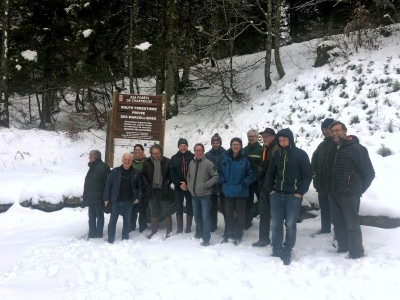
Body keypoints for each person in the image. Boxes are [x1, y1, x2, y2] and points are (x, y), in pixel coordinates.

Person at [324, 121, 375, 259]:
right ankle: (343, 246)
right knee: (338, 222)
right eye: (332, 131)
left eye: (337, 130)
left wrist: (357, 190)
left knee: (352, 224)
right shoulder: (331, 149)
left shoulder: (357, 148)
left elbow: (369, 173)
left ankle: (356, 251)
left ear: (344, 131)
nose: (335, 133)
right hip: (333, 192)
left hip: (349, 194)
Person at [264, 128, 312, 265]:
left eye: (285, 139)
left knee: (290, 225)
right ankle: (276, 248)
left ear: (290, 139)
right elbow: (270, 173)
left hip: (293, 196)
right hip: (277, 195)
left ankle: (287, 248)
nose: (283, 142)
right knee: (276, 225)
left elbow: (308, 175)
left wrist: (300, 192)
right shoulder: (277, 154)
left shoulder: (300, 155)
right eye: (280, 140)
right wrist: (270, 190)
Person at [219, 137, 256, 245]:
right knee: (228, 214)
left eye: (237, 144)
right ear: (231, 146)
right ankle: (228, 233)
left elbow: (252, 174)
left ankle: (237, 234)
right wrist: (223, 183)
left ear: (240, 146)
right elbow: (219, 172)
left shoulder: (246, 159)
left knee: (240, 215)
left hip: (241, 192)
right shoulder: (225, 158)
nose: (235, 146)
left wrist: (243, 184)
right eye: (233, 144)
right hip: (228, 191)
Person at [103, 153, 142, 244]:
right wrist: (106, 198)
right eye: (125, 159)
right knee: (112, 221)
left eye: (129, 160)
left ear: (131, 161)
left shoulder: (135, 172)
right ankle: (110, 239)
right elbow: (108, 185)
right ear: (122, 160)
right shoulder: (115, 171)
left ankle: (125, 238)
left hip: (129, 201)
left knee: (127, 221)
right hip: (116, 201)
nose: (127, 161)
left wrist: (138, 197)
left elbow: (139, 187)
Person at [187, 143, 219, 246]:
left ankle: (206, 238)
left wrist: (206, 185)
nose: (198, 152)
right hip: (194, 195)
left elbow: (216, 176)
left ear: (203, 151)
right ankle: (199, 233)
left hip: (205, 195)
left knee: (206, 217)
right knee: (197, 216)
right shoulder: (191, 163)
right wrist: (189, 185)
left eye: (200, 150)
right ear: (194, 151)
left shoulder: (208, 163)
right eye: (196, 150)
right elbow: (189, 176)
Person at [252, 128, 279, 247]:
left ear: (273, 137)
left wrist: (274, 187)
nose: (264, 138)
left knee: (276, 216)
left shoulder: (277, 149)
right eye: (263, 136)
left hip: (273, 188)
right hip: (264, 186)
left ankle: (277, 240)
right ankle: (264, 238)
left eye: (267, 136)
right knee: (264, 214)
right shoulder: (266, 149)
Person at [142, 144, 173, 239]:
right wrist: (147, 185)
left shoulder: (167, 161)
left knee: (166, 211)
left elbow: (170, 176)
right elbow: (143, 175)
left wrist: (167, 184)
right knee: (153, 212)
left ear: (161, 153)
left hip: (163, 190)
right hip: (152, 190)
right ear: (151, 153)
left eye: (157, 153)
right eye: (154, 153)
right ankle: (154, 231)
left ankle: (169, 231)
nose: (156, 155)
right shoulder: (146, 162)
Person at [311, 118, 335, 234]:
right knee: (324, 208)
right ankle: (325, 229)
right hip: (321, 183)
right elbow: (314, 158)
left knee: (336, 209)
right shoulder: (322, 144)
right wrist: (314, 173)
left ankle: (339, 233)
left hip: (333, 184)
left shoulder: (337, 143)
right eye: (323, 129)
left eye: (327, 129)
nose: (325, 132)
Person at [82, 150, 110, 239]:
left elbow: (107, 183)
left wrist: (105, 197)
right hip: (92, 197)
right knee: (92, 216)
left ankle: (98, 234)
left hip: (98, 197)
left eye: (90, 156)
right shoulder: (93, 166)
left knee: (99, 216)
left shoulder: (103, 167)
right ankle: (92, 233)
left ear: (94, 157)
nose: (89, 157)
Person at [170, 138, 195, 233]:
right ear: (178, 147)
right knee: (178, 206)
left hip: (190, 185)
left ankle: (188, 227)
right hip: (178, 186)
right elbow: (172, 173)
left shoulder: (193, 157)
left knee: (190, 206)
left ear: (187, 146)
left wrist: (187, 183)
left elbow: (194, 172)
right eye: (181, 146)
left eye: (184, 146)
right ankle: (179, 228)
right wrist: (180, 183)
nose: (183, 147)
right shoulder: (174, 158)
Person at [205, 133, 226, 232]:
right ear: (211, 144)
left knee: (225, 206)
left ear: (220, 143)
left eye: (217, 143)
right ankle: (213, 225)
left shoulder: (226, 153)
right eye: (214, 143)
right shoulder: (208, 155)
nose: (216, 144)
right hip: (212, 184)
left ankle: (228, 226)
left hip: (223, 183)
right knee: (212, 206)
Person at [243, 129, 263, 229]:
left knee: (262, 202)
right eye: (249, 136)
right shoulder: (244, 150)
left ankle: (265, 222)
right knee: (247, 202)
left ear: (257, 137)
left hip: (259, 181)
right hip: (248, 181)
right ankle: (247, 221)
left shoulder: (262, 150)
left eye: (253, 136)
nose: (251, 138)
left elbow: (264, 165)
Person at [130, 144, 148, 233]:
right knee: (133, 208)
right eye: (135, 150)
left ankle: (143, 226)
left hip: (144, 188)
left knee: (143, 208)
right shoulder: (130, 161)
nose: (137, 152)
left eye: (139, 150)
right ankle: (131, 225)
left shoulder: (147, 161)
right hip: (133, 189)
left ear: (142, 151)